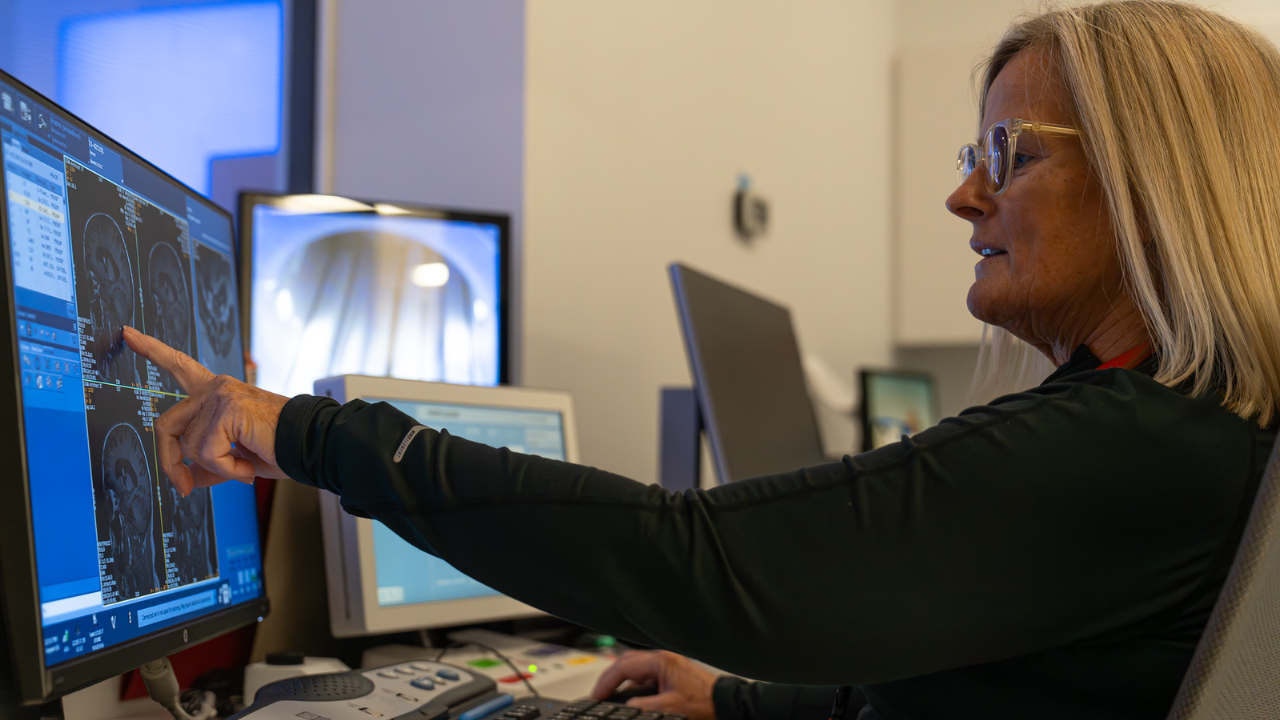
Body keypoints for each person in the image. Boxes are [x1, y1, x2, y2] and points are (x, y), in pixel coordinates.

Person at [122, 1, 1280, 718]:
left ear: (1148, 182)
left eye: (1004, 154)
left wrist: (299, 430)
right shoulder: (1175, 433)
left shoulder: (1133, 447)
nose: (960, 193)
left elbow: (690, 558)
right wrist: (737, 699)